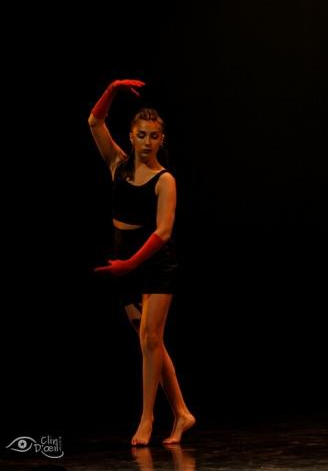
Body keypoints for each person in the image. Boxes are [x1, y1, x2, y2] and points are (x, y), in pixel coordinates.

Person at [89, 79, 195, 446]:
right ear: (131, 137)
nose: (148, 142)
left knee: (150, 338)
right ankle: (182, 413)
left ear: (161, 141)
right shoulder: (117, 164)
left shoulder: (165, 180)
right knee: (150, 342)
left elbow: (163, 232)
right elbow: (94, 122)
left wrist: (130, 265)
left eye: (154, 137)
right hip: (125, 263)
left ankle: (147, 419)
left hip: (154, 264)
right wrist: (114, 88)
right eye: (142, 135)